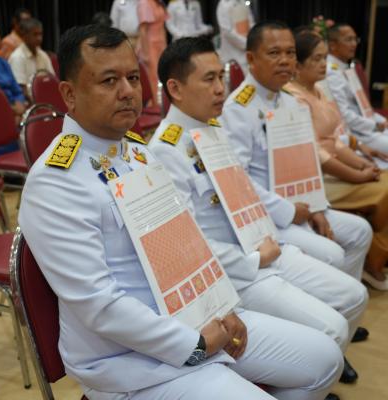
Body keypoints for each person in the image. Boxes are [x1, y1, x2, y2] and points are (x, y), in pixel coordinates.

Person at [18, 24, 344, 400]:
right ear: (69, 94)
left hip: (194, 316)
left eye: (132, 78)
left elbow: (187, 244)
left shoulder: (137, 152)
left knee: (325, 358)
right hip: (130, 360)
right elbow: (99, 305)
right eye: (108, 81)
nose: (127, 91)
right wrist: (195, 344)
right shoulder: (56, 181)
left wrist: (220, 305)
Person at [149, 35, 369, 391]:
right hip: (233, 273)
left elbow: (244, 193)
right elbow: (188, 247)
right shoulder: (166, 150)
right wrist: (254, 259)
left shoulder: (211, 128)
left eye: (221, 77)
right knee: (333, 331)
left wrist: (270, 238)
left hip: (259, 247)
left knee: (353, 297)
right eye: (209, 79)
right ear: (175, 89)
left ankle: (305, 382)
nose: (220, 88)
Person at [221, 21, 372, 285]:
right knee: (332, 254)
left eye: (290, 53)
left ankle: (339, 296)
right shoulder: (238, 108)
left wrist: (315, 207)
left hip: (300, 204)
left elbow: (306, 162)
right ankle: (334, 297)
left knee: (361, 231)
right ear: (251, 59)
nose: (284, 60)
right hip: (269, 214)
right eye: (274, 53)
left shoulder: (290, 101)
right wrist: (289, 210)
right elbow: (239, 181)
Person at [285, 31, 388, 291]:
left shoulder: (318, 91)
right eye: (317, 59)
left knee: (383, 180)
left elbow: (336, 141)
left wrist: (361, 164)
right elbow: (317, 154)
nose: (324, 64)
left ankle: (375, 257)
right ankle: (373, 262)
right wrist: (356, 175)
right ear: (298, 66)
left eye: (324, 57)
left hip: (335, 165)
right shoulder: (294, 97)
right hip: (318, 176)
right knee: (383, 190)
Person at [326, 23, 388, 153]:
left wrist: (381, 121)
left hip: (367, 126)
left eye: (355, 39)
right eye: (348, 39)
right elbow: (343, 114)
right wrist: (375, 126)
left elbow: (363, 107)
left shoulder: (346, 67)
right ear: (332, 45)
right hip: (356, 133)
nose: (354, 44)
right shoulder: (331, 71)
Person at [0, 20, 26, 124]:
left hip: (15, 111)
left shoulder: (3, 63)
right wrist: (12, 110)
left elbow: (17, 90)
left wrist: (20, 105)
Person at [8, 17, 54, 101]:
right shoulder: (17, 57)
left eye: (40, 34)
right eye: (35, 34)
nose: (39, 38)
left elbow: (52, 80)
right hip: (29, 103)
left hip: (47, 99)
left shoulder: (43, 55)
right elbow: (21, 90)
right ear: (24, 36)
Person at [137, 0, 168, 102]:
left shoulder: (158, 2)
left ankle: (164, 103)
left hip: (160, 43)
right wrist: (145, 54)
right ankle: (155, 104)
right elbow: (143, 30)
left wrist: (165, 46)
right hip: (150, 45)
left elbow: (162, 27)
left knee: (163, 74)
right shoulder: (144, 3)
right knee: (153, 76)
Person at [216, 0, 255, 69]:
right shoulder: (224, 4)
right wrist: (246, 43)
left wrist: (252, 39)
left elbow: (251, 21)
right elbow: (227, 31)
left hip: (248, 51)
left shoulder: (243, 2)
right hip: (232, 55)